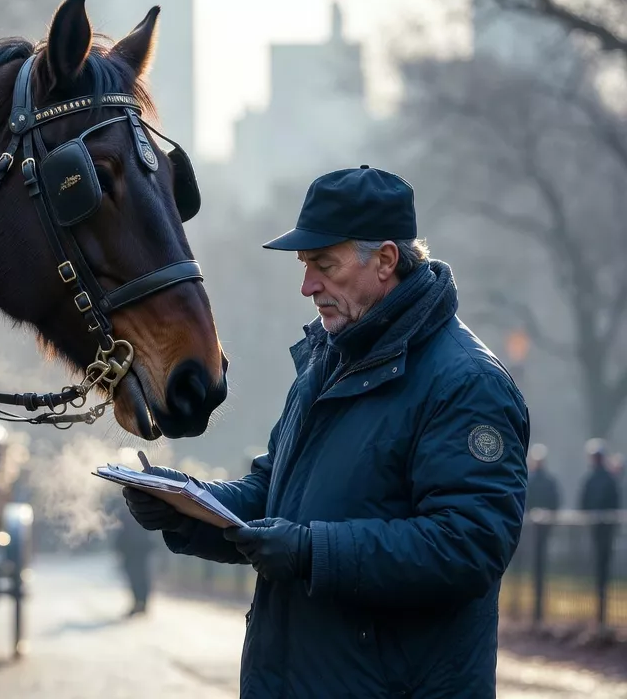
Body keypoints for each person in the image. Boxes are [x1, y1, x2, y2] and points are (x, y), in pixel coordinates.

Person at [123, 166, 530, 697]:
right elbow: (275, 495)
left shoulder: (466, 382)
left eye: (324, 265)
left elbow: (468, 545)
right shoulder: (329, 360)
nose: (307, 286)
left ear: (385, 261)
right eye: (305, 265)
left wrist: (313, 553)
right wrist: (185, 507)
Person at [578, 438, 620, 631]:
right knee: (596, 562)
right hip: (596, 528)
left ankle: (602, 598)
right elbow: (584, 501)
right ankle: (598, 597)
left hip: (606, 528)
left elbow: (614, 502)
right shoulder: (592, 478)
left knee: (603, 561)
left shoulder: (608, 479)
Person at [524, 443, 560, 624]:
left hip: (541, 532)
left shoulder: (547, 481)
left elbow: (554, 503)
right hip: (528, 533)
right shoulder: (528, 480)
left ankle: (537, 612)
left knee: (540, 569)